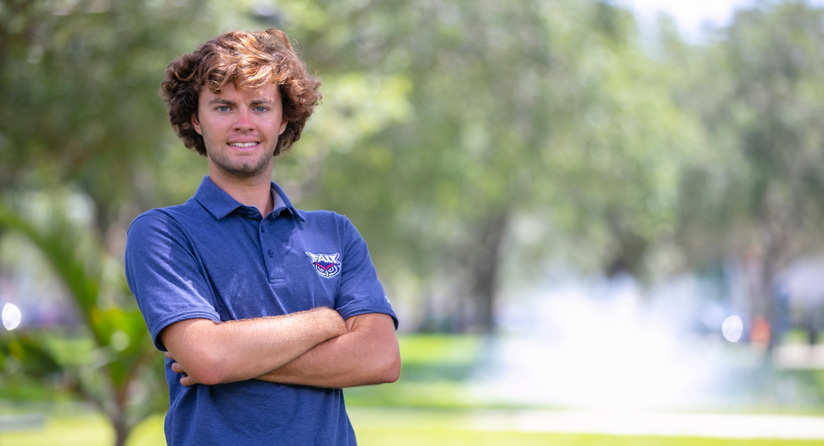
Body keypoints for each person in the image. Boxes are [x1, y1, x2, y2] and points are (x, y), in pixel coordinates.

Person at [124, 29, 400, 446]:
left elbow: (380, 358)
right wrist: (325, 322)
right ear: (196, 119)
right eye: (223, 106)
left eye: (260, 106)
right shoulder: (162, 233)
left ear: (283, 117)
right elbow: (209, 359)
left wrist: (235, 355)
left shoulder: (335, 233)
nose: (244, 123)